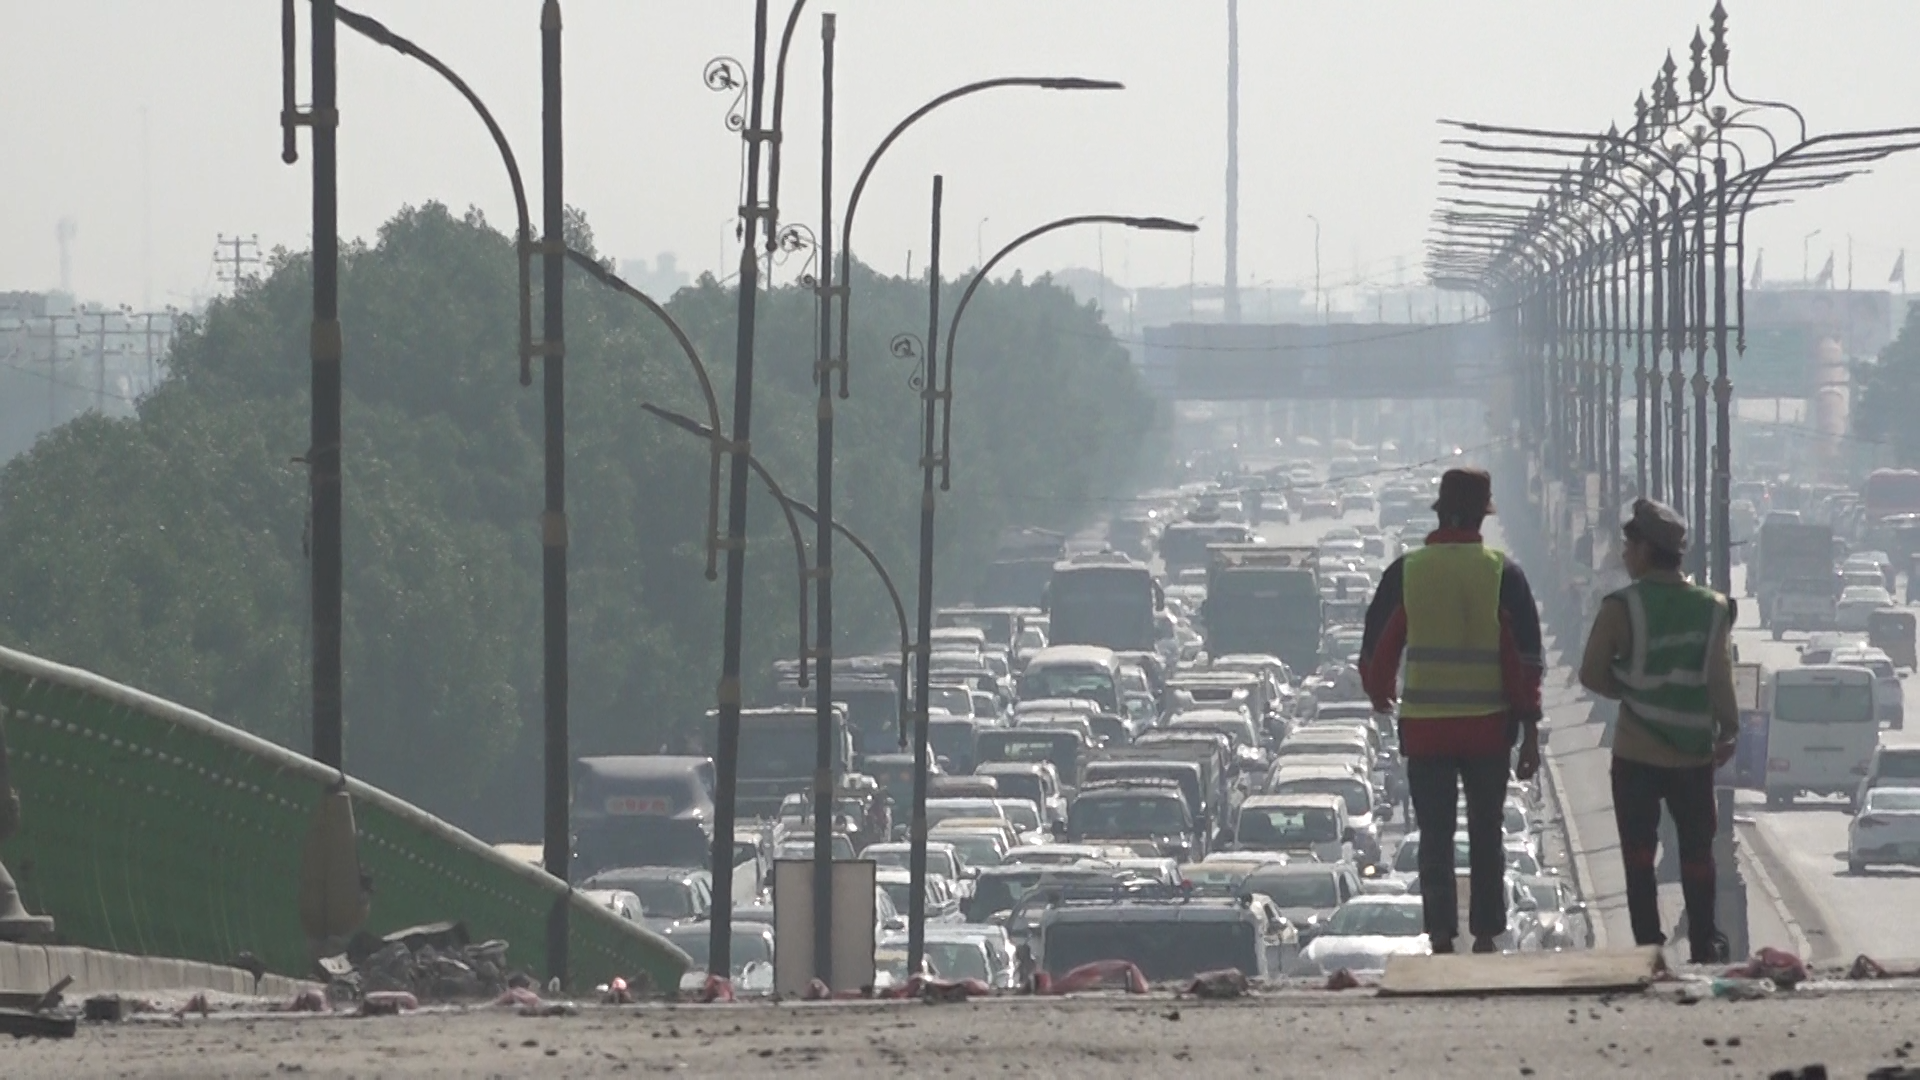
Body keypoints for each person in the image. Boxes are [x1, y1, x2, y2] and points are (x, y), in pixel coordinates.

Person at [1362, 467, 1545, 955]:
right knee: (1487, 832)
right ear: (1482, 521)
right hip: (1488, 730)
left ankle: (1441, 932)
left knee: (1435, 836)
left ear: (1441, 513)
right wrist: (1529, 733)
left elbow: (1378, 646)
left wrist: (1380, 693)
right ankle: (1485, 933)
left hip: (1426, 732)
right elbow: (1525, 662)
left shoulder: (1409, 571)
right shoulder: (1503, 574)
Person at [1578, 498, 1737, 964]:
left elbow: (1591, 673)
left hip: (1636, 753)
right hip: (1692, 756)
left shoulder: (1620, 607)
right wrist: (1728, 730)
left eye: (1629, 546)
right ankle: (1706, 939)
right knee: (1696, 851)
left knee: (1639, 854)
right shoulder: (1712, 609)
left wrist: (1631, 692)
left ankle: (1649, 945)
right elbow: (1719, 677)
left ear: (1646, 549)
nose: (1625, 554)